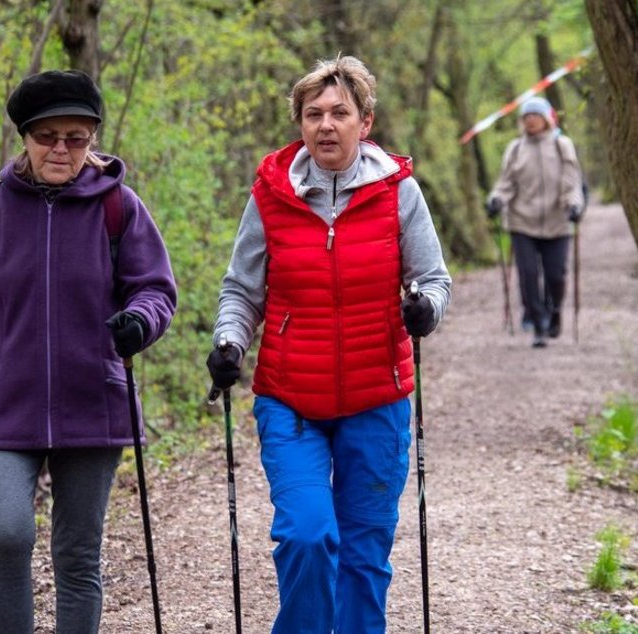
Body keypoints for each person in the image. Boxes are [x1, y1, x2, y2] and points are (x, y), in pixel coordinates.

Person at [0, 69, 177, 634]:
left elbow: (156, 289)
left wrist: (140, 322)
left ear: (92, 140)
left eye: (77, 137)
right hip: (2, 403)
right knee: (9, 534)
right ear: (25, 137)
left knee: (78, 553)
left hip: (94, 402)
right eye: (48, 136)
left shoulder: (119, 207)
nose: (61, 149)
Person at [206, 55, 451, 634]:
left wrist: (425, 309)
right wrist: (229, 343)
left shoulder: (398, 192)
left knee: (364, 556)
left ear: (364, 123)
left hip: (377, 397)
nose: (325, 125)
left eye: (340, 113)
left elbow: (434, 280)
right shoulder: (271, 196)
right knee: (307, 534)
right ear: (300, 124)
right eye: (313, 114)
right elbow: (242, 289)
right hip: (291, 399)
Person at [485, 96, 584, 347]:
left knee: (556, 276)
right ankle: (539, 324)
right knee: (528, 275)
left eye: (535, 115)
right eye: (526, 116)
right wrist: (496, 199)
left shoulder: (562, 146)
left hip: (557, 222)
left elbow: (572, 182)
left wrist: (574, 205)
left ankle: (555, 311)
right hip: (522, 222)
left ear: (546, 119)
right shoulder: (516, 149)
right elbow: (506, 183)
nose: (530, 120)